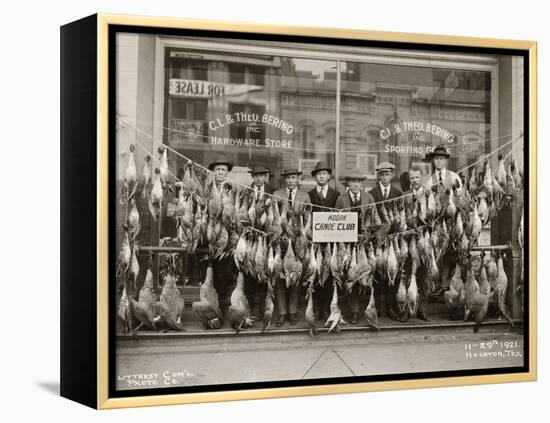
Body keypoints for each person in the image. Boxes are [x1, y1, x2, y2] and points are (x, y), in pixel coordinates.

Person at [335, 168, 375, 324]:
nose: (356, 184)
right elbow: (336, 220)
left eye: (358, 182)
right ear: (348, 183)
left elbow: (374, 219)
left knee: (365, 274)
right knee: (350, 276)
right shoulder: (341, 199)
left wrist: (368, 234)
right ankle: (354, 311)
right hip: (347, 242)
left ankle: (368, 309)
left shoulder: (369, 197)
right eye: (353, 182)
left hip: (365, 243)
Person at [272, 168, 309, 326]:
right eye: (288, 178)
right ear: (284, 180)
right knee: (280, 277)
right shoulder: (277, 194)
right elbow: (273, 217)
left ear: (298, 179)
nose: (291, 181)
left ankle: (293, 312)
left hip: (298, 242)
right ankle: (281, 313)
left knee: (295, 276)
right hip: (281, 241)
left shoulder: (304, 196)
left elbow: (308, 218)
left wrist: (301, 227)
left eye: (293, 178)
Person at [424, 146, 462, 294]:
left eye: (441, 159)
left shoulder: (454, 177)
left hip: (451, 221)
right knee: (437, 252)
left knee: (449, 253)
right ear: (433, 161)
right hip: (436, 223)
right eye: (436, 159)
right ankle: (436, 284)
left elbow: (460, 196)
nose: (438, 161)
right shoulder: (428, 180)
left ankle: (446, 284)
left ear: (445, 160)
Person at [368, 162, 402, 320]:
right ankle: (377, 307)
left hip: (393, 239)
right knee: (378, 273)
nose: (385, 177)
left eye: (387, 174)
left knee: (392, 272)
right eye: (382, 174)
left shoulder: (398, 192)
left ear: (392, 176)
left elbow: (401, 216)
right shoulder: (372, 193)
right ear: (378, 176)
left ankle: (390, 306)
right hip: (377, 239)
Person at [205, 155, 238, 318]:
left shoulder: (233, 188)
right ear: (213, 171)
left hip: (228, 237)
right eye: (217, 169)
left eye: (223, 170)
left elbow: (237, 211)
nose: (220, 172)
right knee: (213, 273)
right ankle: (213, 305)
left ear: (227, 172)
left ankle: (225, 306)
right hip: (212, 235)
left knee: (226, 272)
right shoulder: (208, 187)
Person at [308, 162, 340, 321]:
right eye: (318, 174)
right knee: (316, 274)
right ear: (315, 177)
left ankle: (327, 308)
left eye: (324, 174)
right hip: (315, 241)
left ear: (329, 176)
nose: (321, 176)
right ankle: (317, 308)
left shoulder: (336, 195)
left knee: (328, 276)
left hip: (330, 241)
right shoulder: (309, 194)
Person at [244, 165, 274, 320]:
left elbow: (274, 218)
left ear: (265, 177)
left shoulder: (273, 192)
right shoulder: (246, 191)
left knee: (263, 273)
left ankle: (263, 307)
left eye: (262, 175)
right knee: (250, 273)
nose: (258, 178)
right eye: (256, 175)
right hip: (250, 238)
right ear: (252, 177)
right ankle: (252, 308)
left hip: (266, 238)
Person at [401, 165, 431, 322]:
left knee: (424, 277)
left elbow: (434, 216)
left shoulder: (429, 193)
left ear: (422, 178)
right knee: (408, 274)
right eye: (411, 178)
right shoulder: (404, 195)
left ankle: (422, 310)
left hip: (424, 241)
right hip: (409, 242)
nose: (414, 181)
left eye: (417, 177)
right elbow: (401, 218)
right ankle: (406, 309)